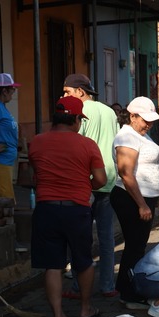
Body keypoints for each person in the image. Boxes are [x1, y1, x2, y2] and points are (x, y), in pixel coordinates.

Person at [28, 96, 107, 317]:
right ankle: (85, 308)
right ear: (74, 119)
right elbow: (101, 180)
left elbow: (36, 175)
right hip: (76, 210)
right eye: (79, 120)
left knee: (53, 265)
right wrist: (84, 184)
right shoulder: (87, 144)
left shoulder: (36, 142)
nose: (80, 124)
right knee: (83, 261)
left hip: (45, 209)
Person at [61, 74, 120, 299]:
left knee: (79, 238)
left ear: (80, 91)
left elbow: (76, 144)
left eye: (68, 91)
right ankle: (107, 285)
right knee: (106, 238)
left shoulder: (79, 113)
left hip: (85, 181)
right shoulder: (109, 111)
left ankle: (78, 286)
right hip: (109, 178)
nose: (65, 96)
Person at [110, 96, 159, 309]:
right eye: (144, 120)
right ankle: (129, 293)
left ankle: (128, 288)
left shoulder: (140, 134)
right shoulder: (126, 137)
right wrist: (141, 204)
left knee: (137, 246)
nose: (148, 124)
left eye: (150, 120)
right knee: (134, 247)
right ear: (132, 116)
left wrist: (152, 199)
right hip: (130, 198)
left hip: (143, 198)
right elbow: (126, 173)